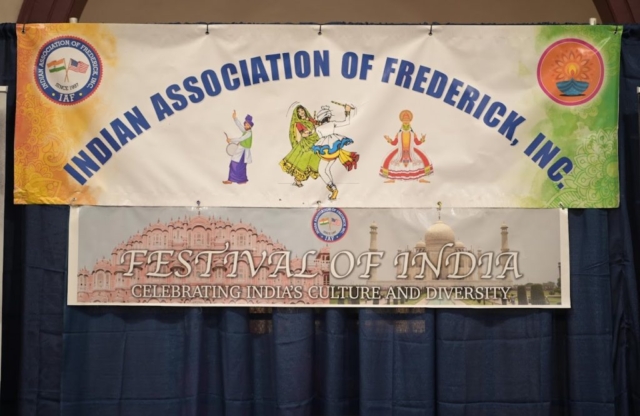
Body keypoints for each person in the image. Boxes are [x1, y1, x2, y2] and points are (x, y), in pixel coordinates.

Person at [312, 103, 360, 200]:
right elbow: (346, 121)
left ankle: (333, 189)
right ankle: (334, 189)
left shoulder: (318, 129)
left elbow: (319, 136)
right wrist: (347, 111)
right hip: (335, 150)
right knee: (326, 170)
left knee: (322, 170)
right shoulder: (332, 124)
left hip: (326, 151)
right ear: (328, 116)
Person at [379, 109, 433, 183]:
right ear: (402, 121)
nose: (406, 121)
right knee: (390, 161)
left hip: (411, 150)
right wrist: (389, 139)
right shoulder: (399, 133)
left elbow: (417, 143)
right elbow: (394, 143)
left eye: (407, 120)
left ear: (410, 121)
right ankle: (392, 179)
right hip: (400, 150)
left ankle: (420, 178)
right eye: (404, 120)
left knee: (422, 160)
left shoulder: (413, 133)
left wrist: (422, 139)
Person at [279, 105, 321, 187]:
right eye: (299, 112)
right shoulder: (299, 123)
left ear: (305, 110)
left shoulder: (310, 119)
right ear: (297, 114)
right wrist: (311, 132)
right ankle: (298, 180)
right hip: (306, 143)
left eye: (302, 110)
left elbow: (318, 123)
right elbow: (303, 135)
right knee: (303, 161)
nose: (301, 112)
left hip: (316, 139)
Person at [223, 110, 253, 184]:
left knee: (238, 165)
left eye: (247, 125)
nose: (246, 126)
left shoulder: (248, 133)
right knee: (236, 164)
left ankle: (240, 180)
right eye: (245, 124)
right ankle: (233, 180)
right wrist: (235, 118)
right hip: (240, 151)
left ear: (250, 126)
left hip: (243, 152)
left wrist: (231, 140)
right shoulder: (246, 131)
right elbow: (239, 125)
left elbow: (241, 139)